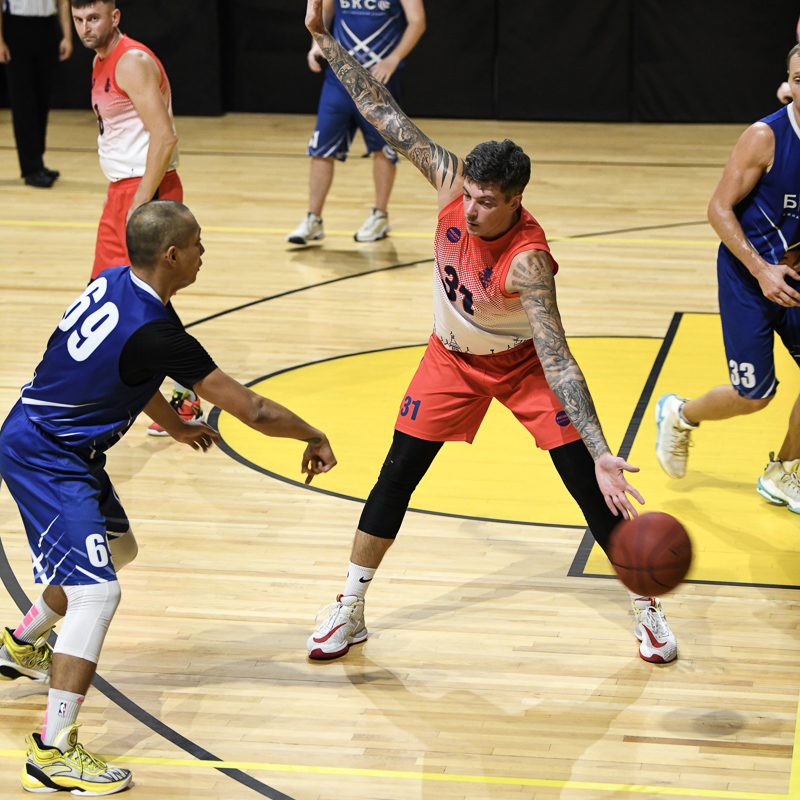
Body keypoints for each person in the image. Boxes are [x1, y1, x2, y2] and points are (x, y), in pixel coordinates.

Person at [301, 0, 678, 666]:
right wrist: (325, 40)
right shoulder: (451, 181)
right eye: (469, 195)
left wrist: (600, 449)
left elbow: (559, 360)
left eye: (486, 201)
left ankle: (646, 606)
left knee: (591, 487)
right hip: (450, 359)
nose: (470, 209)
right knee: (396, 475)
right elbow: (381, 110)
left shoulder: (528, 261)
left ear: (515, 200)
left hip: (522, 366)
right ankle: (349, 606)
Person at [0, 200, 336, 795]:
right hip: (46, 455)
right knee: (97, 592)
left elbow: (133, 369)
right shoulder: (156, 330)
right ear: (173, 255)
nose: (205, 252)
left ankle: (22, 644)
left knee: (118, 550)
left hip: (62, 445)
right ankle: (53, 753)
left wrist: (175, 425)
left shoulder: (117, 282)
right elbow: (254, 410)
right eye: (199, 243)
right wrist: (313, 434)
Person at [656, 44, 800, 515]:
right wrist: (761, 269)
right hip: (747, 274)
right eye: (798, 79)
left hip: (793, 275)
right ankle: (680, 414)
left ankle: (783, 472)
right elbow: (718, 208)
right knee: (755, 397)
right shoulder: (765, 137)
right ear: (788, 83)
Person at [71, 0, 199, 433]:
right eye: (78, 19)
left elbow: (164, 137)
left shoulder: (131, 61)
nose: (86, 27)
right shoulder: (100, 60)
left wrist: (139, 205)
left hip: (146, 190)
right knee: (113, 294)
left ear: (115, 16)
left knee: (136, 299)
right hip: (123, 190)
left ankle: (184, 392)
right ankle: (172, 390)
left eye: (93, 18)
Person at [286, 0, 425, 245]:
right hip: (339, 75)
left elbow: (417, 21)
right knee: (321, 148)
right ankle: (313, 219)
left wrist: (393, 58)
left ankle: (380, 216)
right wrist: (316, 43)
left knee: (383, 148)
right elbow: (324, 9)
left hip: (378, 79)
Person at [0, 0, 73, 187]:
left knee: (42, 99)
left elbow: (62, 2)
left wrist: (67, 36)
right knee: (23, 101)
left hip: (47, 27)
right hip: (16, 27)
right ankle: (31, 168)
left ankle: (37, 162)